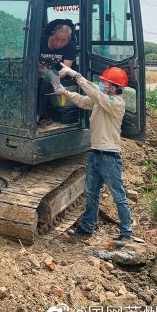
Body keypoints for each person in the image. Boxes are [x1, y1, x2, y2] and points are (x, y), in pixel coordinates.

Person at [53, 64, 133, 247]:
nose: (102, 84)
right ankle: (87, 227)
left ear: (114, 87)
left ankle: (126, 232)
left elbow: (95, 94)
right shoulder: (101, 100)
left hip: (109, 157)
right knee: (91, 193)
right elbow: (84, 101)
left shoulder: (116, 103)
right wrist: (65, 92)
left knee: (118, 195)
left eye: (105, 82)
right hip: (96, 154)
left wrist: (76, 75)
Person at [38, 22, 76, 125]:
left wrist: (52, 76)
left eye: (63, 40)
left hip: (57, 75)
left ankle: (40, 115)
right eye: (56, 38)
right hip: (36, 72)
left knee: (45, 82)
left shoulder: (71, 46)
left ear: (69, 39)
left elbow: (66, 69)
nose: (58, 43)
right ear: (53, 33)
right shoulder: (40, 41)